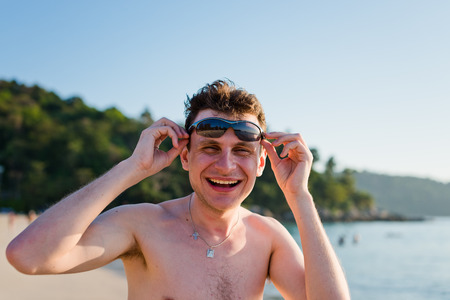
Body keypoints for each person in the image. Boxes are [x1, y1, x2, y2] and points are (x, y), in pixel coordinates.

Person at [6, 80, 350, 299]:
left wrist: (299, 197)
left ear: (261, 164)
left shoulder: (269, 238)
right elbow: (28, 256)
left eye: (242, 151)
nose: (226, 165)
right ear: (185, 156)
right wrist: (133, 167)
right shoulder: (142, 226)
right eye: (210, 148)